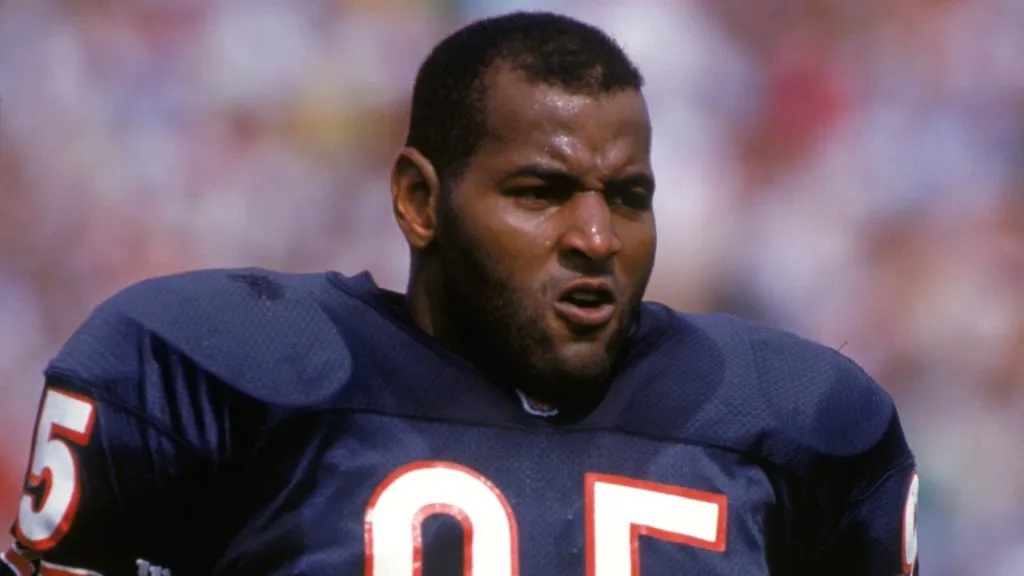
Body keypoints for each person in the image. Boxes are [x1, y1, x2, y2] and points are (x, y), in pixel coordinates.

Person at [2, 11, 918, 576]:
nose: (596, 239)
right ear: (419, 200)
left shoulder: (797, 422)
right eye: (540, 193)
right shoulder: (216, 368)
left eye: (629, 198)